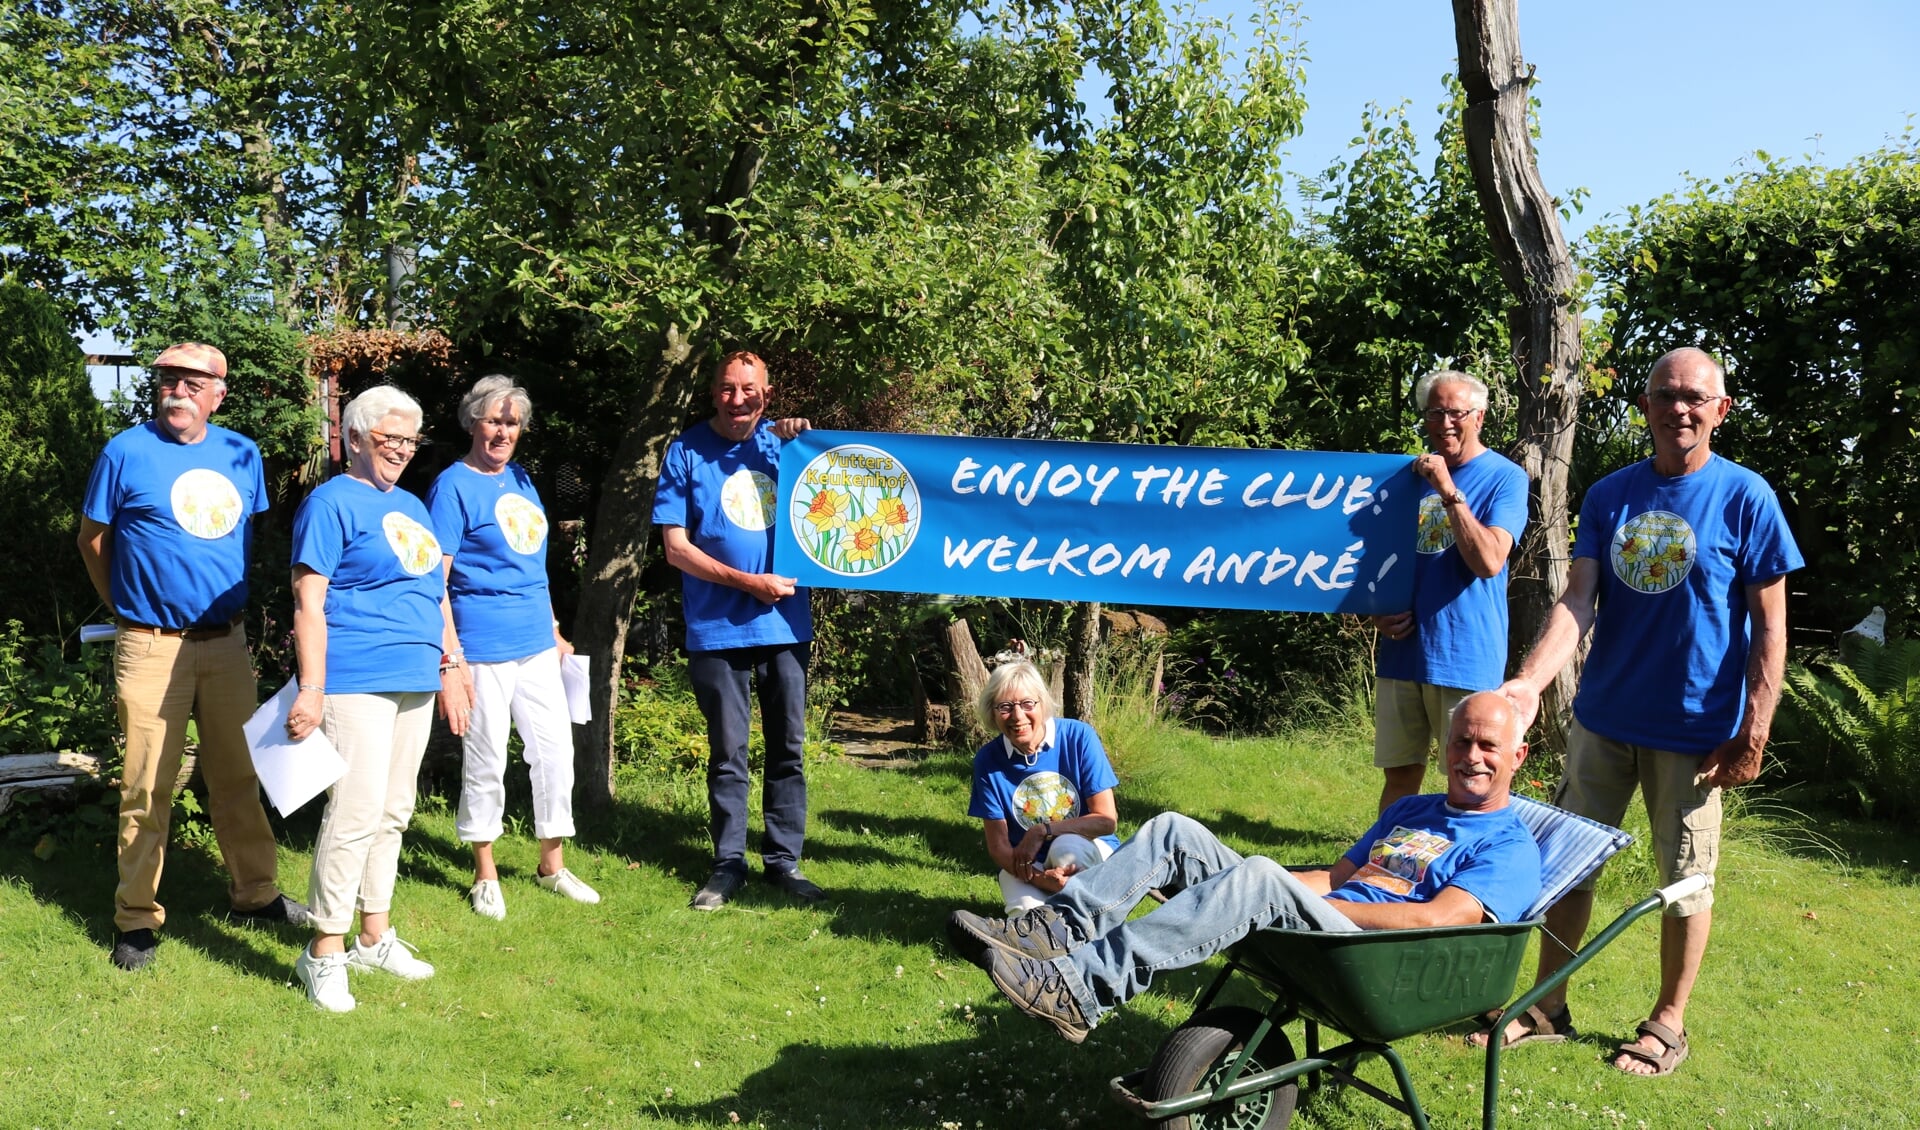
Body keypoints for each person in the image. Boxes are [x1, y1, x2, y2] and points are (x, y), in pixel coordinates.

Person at [1486, 347, 1801, 1077]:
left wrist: (1755, 731)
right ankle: (1546, 1006)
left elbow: (1772, 627)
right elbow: (1577, 601)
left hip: (1695, 735)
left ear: (1721, 410)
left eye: (1695, 397)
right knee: (1565, 870)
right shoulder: (1610, 496)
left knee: (1686, 881)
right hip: (1603, 721)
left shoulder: (1746, 497)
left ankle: (1668, 1022)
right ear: (1646, 407)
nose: (1678, 408)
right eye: (1665, 395)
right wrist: (1530, 683)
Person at [949, 692, 1540, 1043]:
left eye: (1488, 746)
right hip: (1330, 920)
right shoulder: (1413, 808)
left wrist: (1289, 895)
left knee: (1258, 875)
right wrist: (1269, 887)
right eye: (1462, 742)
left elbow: (1437, 920)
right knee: (1172, 831)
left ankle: (1081, 988)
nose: (1471, 757)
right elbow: (1335, 876)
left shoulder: (1510, 847)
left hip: (1371, 958)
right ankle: (1052, 930)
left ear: (1518, 755)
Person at [77, 341, 308, 972]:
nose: (176, 390)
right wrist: (125, 606)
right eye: (168, 380)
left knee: (237, 776)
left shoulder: (242, 454)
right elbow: (92, 539)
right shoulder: (125, 452)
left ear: (218, 393)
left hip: (226, 643)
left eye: (191, 381)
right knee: (147, 783)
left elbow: (240, 540)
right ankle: (135, 918)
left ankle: (255, 894)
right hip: (151, 644)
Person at [286, 386, 473, 1012]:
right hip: (354, 676)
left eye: (409, 439)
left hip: (415, 675)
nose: (400, 449)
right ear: (357, 438)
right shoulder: (330, 502)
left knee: (395, 811)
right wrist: (311, 687)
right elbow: (308, 600)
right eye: (389, 438)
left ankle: (374, 935)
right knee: (355, 813)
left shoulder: (416, 506)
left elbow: (437, 594)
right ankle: (324, 952)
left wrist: (452, 662)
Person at [653, 350, 821, 910]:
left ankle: (784, 863)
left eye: (750, 389)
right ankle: (727, 864)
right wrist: (748, 583)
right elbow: (676, 549)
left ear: (767, 395)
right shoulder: (685, 451)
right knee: (728, 752)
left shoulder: (786, 449)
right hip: (717, 627)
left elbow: (834, 500)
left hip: (786, 623)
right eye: (728, 388)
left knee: (788, 749)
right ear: (713, 393)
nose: (739, 398)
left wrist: (803, 437)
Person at [427, 375, 598, 920]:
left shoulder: (522, 479)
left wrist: (553, 629)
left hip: (536, 645)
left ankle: (552, 864)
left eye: (512, 422)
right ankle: (485, 871)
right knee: (487, 757)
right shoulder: (452, 486)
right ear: (472, 421)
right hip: (481, 646)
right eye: (493, 420)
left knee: (555, 753)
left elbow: (534, 565)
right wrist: (450, 658)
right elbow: (436, 581)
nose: (502, 431)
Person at [1372, 371, 1529, 812]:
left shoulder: (1506, 478)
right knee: (1400, 773)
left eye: (1456, 413)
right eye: (1435, 412)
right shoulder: (1404, 478)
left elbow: (1489, 560)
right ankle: (1382, 862)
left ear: (1479, 416)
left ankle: (1459, 864)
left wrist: (1448, 491)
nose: (1445, 423)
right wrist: (1376, 611)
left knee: (1469, 777)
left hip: (1466, 653)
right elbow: (1372, 561)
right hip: (1403, 651)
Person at [968, 660, 1120, 914]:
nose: (1018, 716)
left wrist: (1041, 830)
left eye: (1028, 704)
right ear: (992, 712)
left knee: (1066, 848)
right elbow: (999, 847)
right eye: (1005, 707)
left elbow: (1106, 821)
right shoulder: (988, 760)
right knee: (1026, 917)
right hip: (1028, 862)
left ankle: (1090, 916)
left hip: (1090, 848)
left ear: (1043, 703)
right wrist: (1039, 879)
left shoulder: (1078, 737)